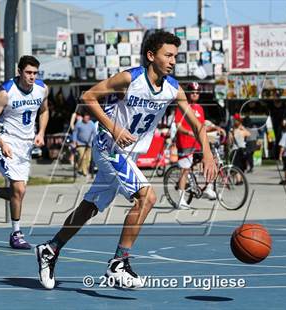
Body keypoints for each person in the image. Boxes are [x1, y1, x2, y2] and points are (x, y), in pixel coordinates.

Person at [35, 30, 217, 290]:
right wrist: (114, 128)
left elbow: (197, 124)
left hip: (129, 153)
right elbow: (87, 97)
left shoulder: (173, 88)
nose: (173, 61)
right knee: (147, 197)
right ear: (151, 55)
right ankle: (119, 262)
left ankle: (50, 249)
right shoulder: (130, 79)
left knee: (88, 208)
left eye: (175, 56)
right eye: (168, 55)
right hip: (109, 145)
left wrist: (208, 153)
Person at [0, 55, 49, 249]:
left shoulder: (42, 89)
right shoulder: (6, 92)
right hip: (7, 141)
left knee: (18, 193)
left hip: (26, 145)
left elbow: (44, 111)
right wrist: (1, 142)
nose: (32, 76)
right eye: (28, 72)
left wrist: (41, 132)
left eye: (35, 73)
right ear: (19, 71)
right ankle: (16, 233)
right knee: (19, 190)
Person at [174, 82, 222, 208]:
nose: (195, 94)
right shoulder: (182, 106)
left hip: (197, 144)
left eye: (197, 92)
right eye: (193, 92)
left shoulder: (200, 108)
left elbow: (202, 125)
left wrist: (215, 127)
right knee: (185, 170)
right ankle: (181, 199)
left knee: (211, 160)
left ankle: (208, 187)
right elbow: (178, 125)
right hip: (185, 142)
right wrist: (189, 132)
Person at [71, 112, 96, 177]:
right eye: (85, 116)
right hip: (80, 143)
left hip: (89, 144)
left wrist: (94, 142)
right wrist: (74, 142)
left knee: (88, 159)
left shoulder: (91, 124)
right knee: (82, 157)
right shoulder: (78, 123)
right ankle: (85, 173)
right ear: (83, 117)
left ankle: (80, 170)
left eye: (88, 116)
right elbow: (75, 133)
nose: (87, 118)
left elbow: (94, 133)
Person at [229, 113, 250, 184]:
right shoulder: (242, 131)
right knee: (241, 165)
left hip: (236, 150)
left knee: (236, 165)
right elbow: (249, 134)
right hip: (243, 149)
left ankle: (238, 180)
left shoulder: (233, 131)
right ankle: (240, 180)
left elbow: (230, 141)